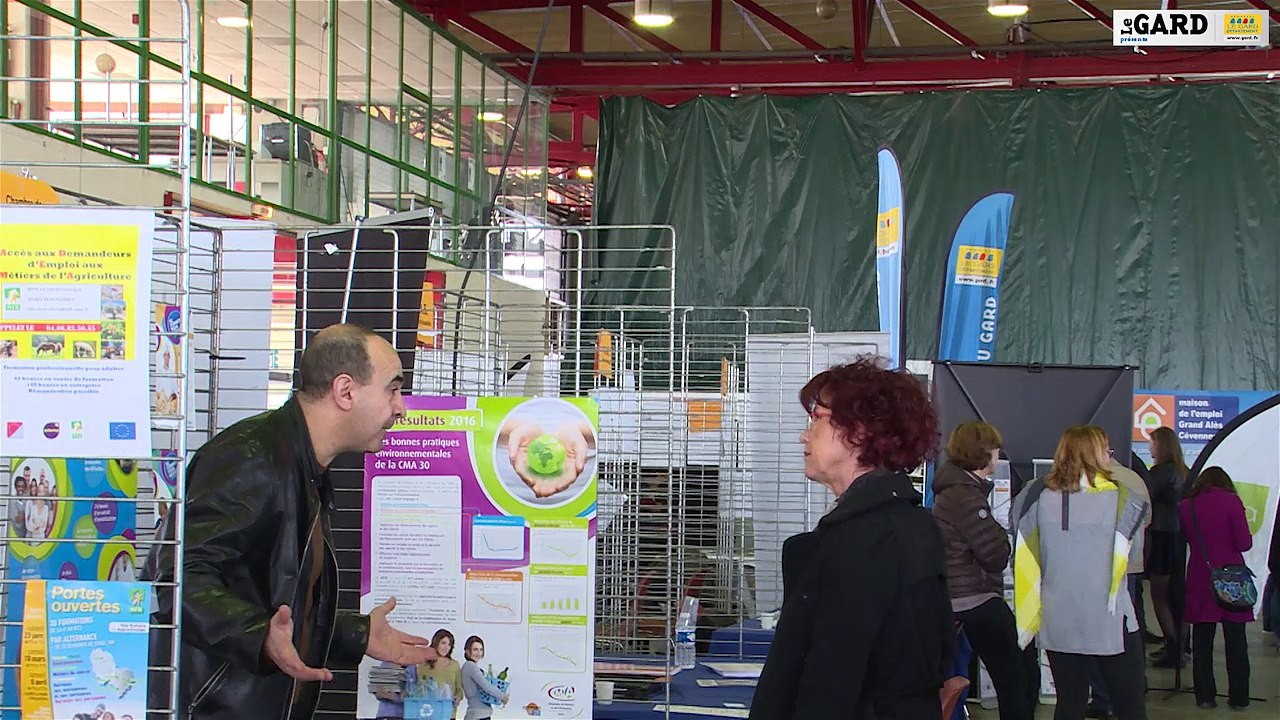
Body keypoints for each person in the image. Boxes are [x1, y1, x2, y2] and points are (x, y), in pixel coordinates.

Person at [143, 324, 437, 719]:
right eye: (393, 389)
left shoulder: (305, 466)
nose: (400, 408)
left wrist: (353, 634)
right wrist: (259, 634)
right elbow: (176, 578)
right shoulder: (252, 458)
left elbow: (271, 598)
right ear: (346, 391)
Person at [750, 357, 954, 720]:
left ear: (859, 432)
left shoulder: (867, 541)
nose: (803, 434)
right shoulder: (904, 524)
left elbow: (831, 682)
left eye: (816, 419)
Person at [1010, 425, 1149, 720]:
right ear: (1098, 453)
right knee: (1130, 705)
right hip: (1111, 618)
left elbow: (1023, 553)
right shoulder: (1125, 499)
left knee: (1069, 701)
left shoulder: (1033, 496)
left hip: (1058, 616)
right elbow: (1133, 557)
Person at [931, 421, 1037, 720]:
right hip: (973, 597)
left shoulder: (955, 490)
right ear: (982, 452)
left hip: (962, 596)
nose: (998, 453)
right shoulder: (965, 496)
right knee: (1016, 674)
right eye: (994, 448)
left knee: (1015, 668)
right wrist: (1002, 537)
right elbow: (994, 554)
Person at [1179, 466, 1252, 710]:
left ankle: (1205, 697)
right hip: (1232, 578)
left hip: (1201, 575)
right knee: (1236, 640)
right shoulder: (1232, 502)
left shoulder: (1187, 506)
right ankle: (1239, 697)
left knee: (1202, 641)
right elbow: (1244, 543)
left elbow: (1185, 540)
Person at [1145, 427, 1185, 666]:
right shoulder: (1181, 471)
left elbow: (1145, 497)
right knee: (1174, 595)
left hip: (1161, 537)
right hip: (1176, 538)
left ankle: (1174, 647)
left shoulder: (1160, 473)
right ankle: (1178, 644)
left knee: (1158, 596)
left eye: (1152, 442)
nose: (1149, 447)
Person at [460, 636, 508, 720]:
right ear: (467, 651)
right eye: (475, 649)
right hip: (477, 715)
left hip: (479, 715)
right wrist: (502, 696)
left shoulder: (471, 666)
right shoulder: (470, 666)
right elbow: (486, 686)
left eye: (481, 649)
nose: (478, 653)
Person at [417, 629, 464, 715]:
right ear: (436, 642)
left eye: (449, 644)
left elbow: (459, 689)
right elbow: (419, 687)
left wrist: (458, 697)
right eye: (443, 643)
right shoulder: (424, 664)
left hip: (448, 712)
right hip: (429, 712)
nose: (446, 647)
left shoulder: (454, 665)